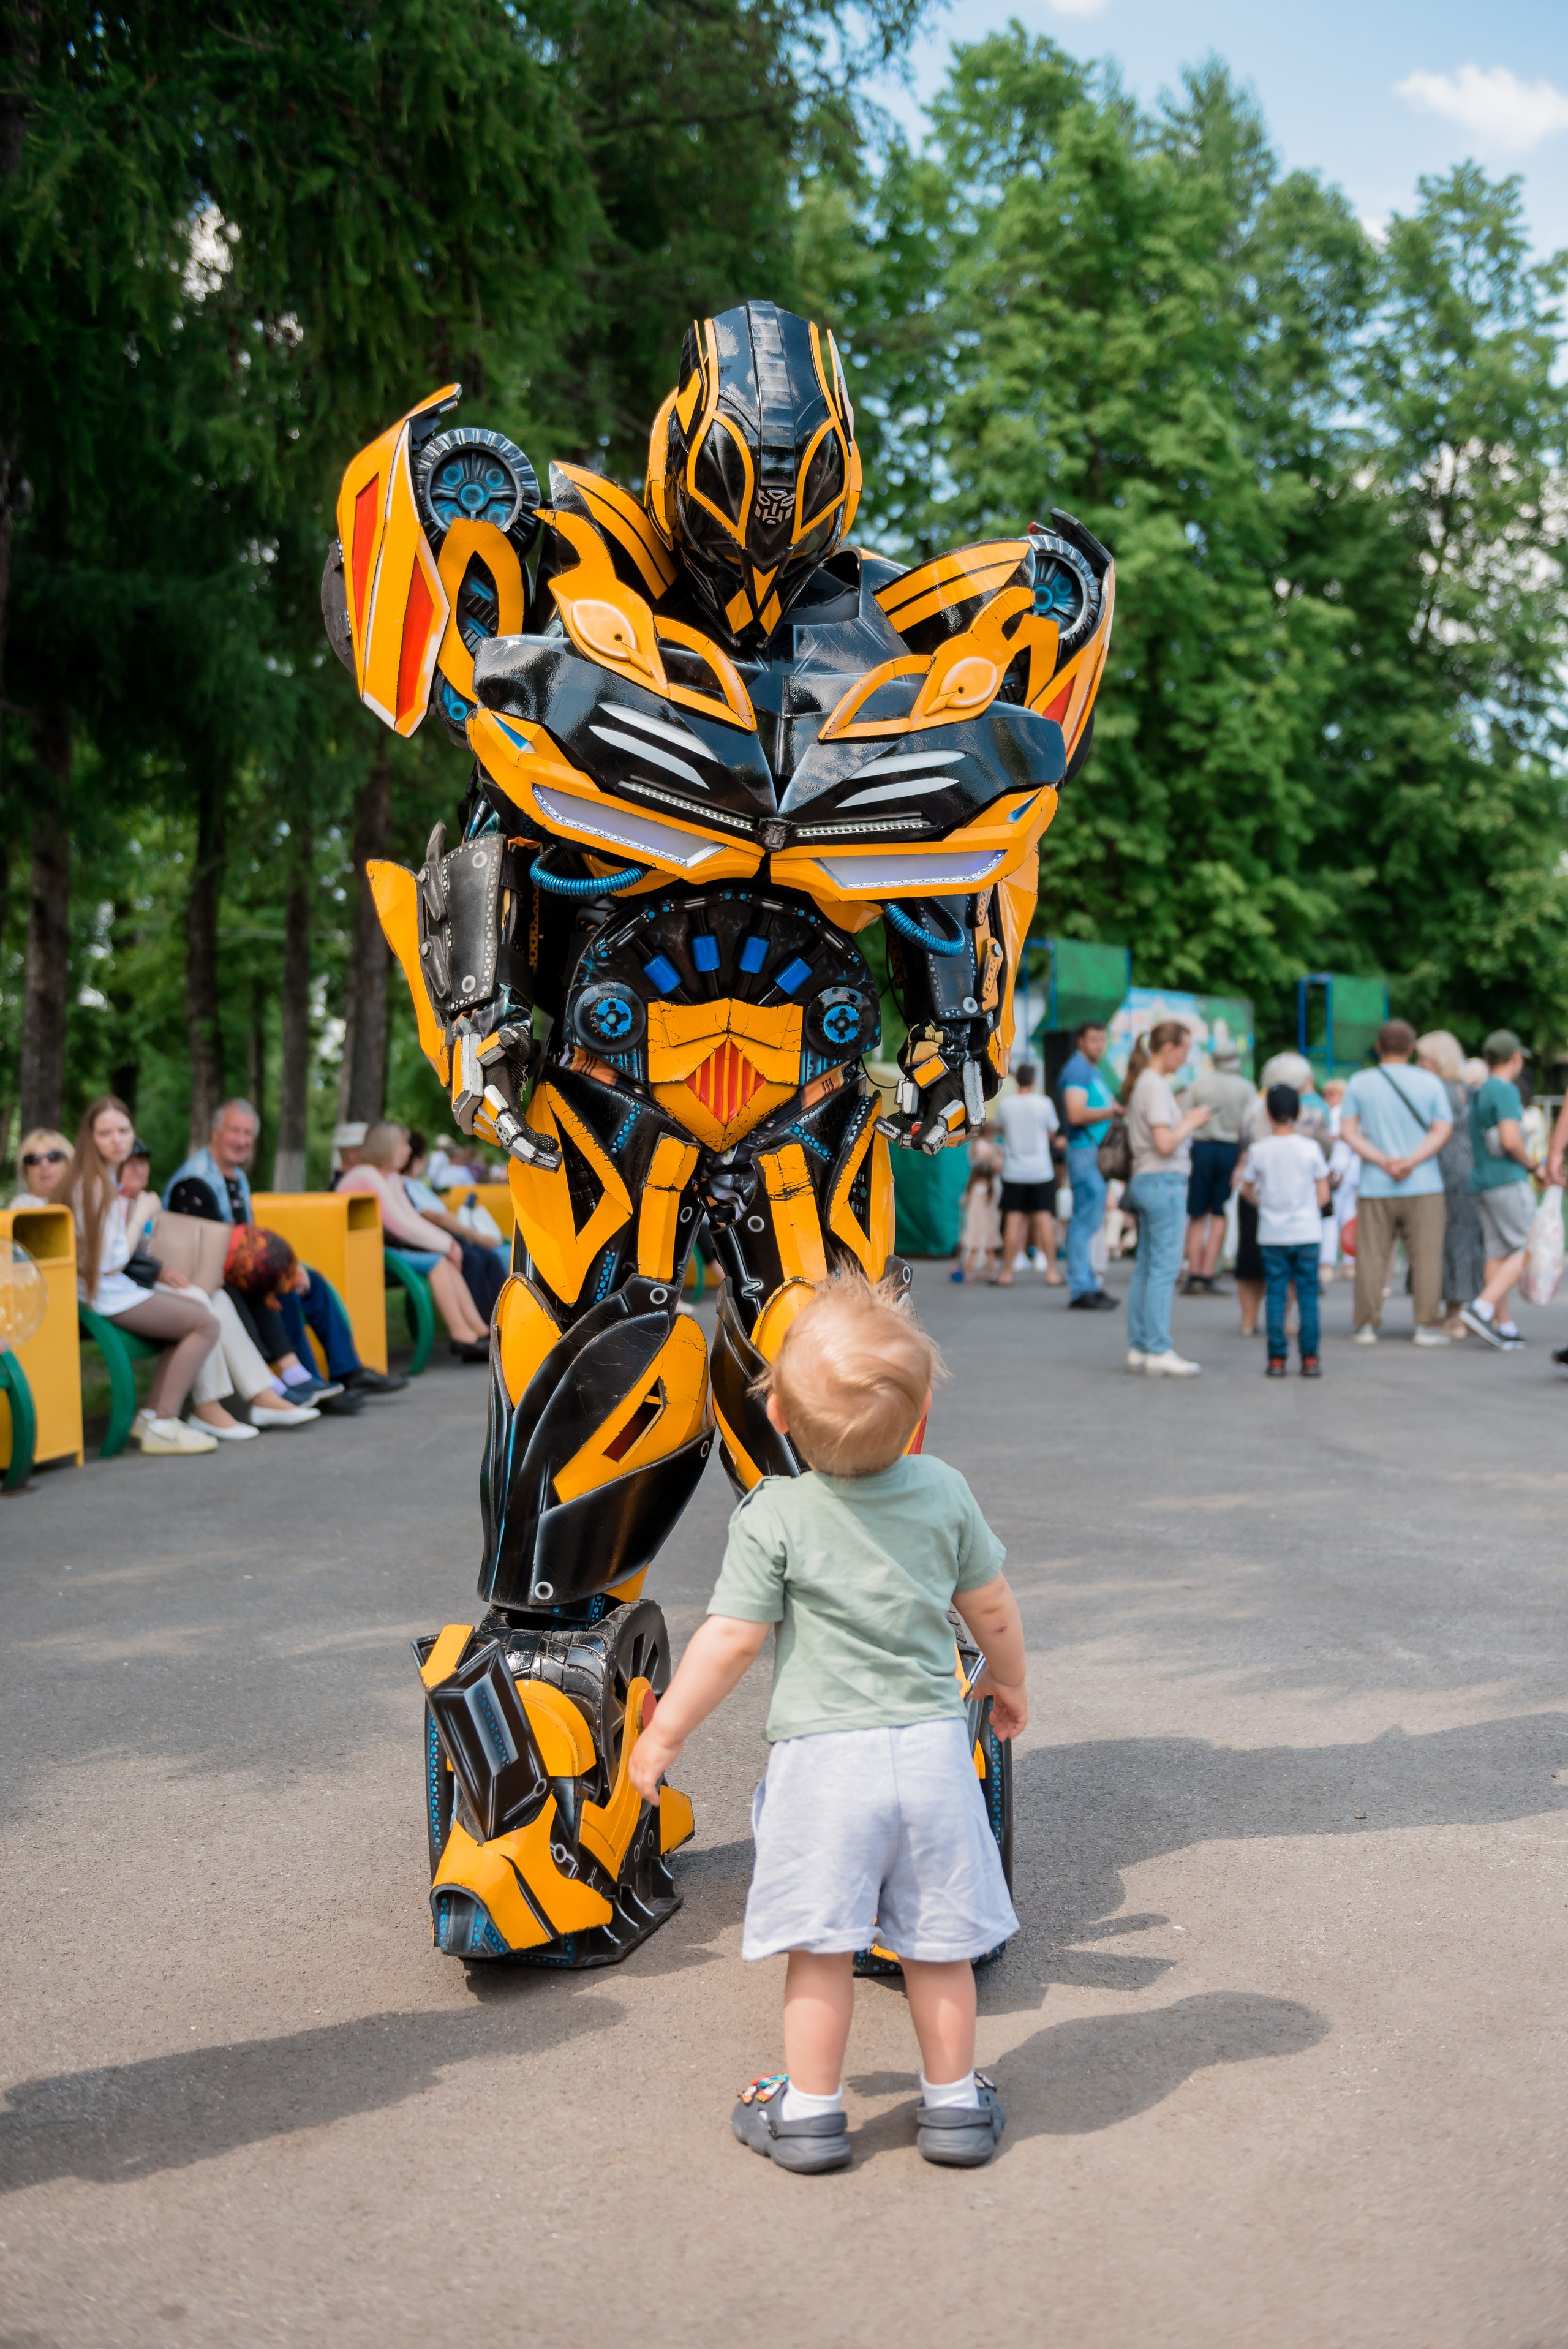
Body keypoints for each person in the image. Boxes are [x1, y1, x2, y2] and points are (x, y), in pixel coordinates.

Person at [627, 1272, 1024, 2173]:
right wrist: (1010, 1683)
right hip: (928, 1756)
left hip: (824, 1767)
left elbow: (729, 1641)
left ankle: (808, 2114)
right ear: (918, 1414)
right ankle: (956, 2106)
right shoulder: (944, 1492)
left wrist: (666, 1732)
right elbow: (992, 1606)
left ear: (777, 1418)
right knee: (937, 1950)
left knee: (822, 1950)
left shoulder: (775, 1514)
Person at [166, 1099, 405, 1401]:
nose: (242, 1140)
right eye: (235, 1131)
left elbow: (249, 1237)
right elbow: (209, 1251)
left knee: (313, 1281)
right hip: (206, 1275)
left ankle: (347, 1372)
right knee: (280, 1288)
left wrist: (292, 1268)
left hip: (236, 1266)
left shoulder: (237, 1177)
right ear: (215, 1133)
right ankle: (304, 1380)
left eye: (248, 1134)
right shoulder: (194, 1182)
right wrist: (280, 1274)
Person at [59, 1096, 222, 1455]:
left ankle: (152, 1419)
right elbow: (109, 1263)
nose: (117, 1140)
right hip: (103, 1296)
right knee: (204, 1325)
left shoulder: (100, 1179)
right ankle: (163, 1422)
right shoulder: (94, 1186)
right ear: (90, 1138)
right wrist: (141, 1214)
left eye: (124, 1131)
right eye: (105, 1133)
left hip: (109, 1291)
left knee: (193, 1316)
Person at [122, 1141, 320, 1435]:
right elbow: (114, 1263)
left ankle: (260, 1393)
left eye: (143, 1161)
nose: (139, 1168)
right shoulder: (119, 1204)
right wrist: (158, 1263)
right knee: (203, 1303)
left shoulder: (147, 1204)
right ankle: (207, 1406)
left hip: (153, 1285)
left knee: (218, 1295)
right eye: (130, 1162)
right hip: (127, 1292)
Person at [337, 1122, 494, 1358]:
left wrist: (448, 1244)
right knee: (439, 1262)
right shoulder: (367, 1176)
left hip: (381, 1248)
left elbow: (410, 1219)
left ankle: (480, 1329)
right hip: (362, 1253)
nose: (408, 1151)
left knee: (445, 1259)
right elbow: (399, 1225)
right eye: (403, 1145)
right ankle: (461, 1333)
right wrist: (447, 1244)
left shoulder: (390, 1179)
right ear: (386, 1147)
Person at [1340, 1020, 1453, 1345]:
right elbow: (1442, 1129)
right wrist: (1411, 1160)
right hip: (1425, 1182)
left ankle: (1365, 1324)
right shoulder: (1429, 1082)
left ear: (1378, 1045)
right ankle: (1426, 1324)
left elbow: (1348, 1131)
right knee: (1427, 1256)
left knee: (1371, 1256)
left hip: (1376, 1183)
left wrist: (1382, 1160)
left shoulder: (1360, 1083)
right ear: (1411, 1048)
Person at [1123, 1023, 1210, 1376]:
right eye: (1184, 1050)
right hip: (1163, 1180)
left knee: (1146, 1268)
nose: (1186, 1058)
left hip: (1146, 1180)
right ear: (1169, 1048)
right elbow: (1165, 1143)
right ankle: (1158, 1348)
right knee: (1162, 1269)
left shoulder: (1145, 1082)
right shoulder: (1155, 1085)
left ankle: (1141, 1346)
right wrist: (1190, 1122)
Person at [1235, 1054, 1329, 1337]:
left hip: (1266, 1209)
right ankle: (1305, 1348)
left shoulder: (1254, 1111)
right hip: (1304, 1214)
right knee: (1304, 1287)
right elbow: (1327, 1153)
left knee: (1253, 1266)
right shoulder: (1313, 1117)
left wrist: (1260, 1200)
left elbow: (1243, 1159)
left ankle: (1252, 1324)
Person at [1460, 1030, 1539, 1351]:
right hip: (1506, 1179)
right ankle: (1482, 1307)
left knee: (1497, 1252)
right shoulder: (1505, 1091)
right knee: (1527, 1247)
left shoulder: (1479, 1092)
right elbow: (1510, 1139)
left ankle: (1502, 1323)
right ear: (1516, 1058)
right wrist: (1533, 1166)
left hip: (1481, 1180)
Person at [1415, 1031, 1485, 1337]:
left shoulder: (1436, 1088)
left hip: (1442, 1168)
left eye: (1422, 1058)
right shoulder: (1466, 1088)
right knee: (1466, 1240)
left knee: (1445, 1240)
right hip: (1468, 1167)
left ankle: (1452, 1315)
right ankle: (1465, 1311)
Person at [401, 1127, 510, 1319]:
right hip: (440, 1240)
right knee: (478, 1259)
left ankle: (499, 1319)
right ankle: (488, 1322)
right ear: (416, 1158)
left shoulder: (416, 1185)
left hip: (446, 1237)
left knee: (488, 1258)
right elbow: (435, 1216)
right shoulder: (407, 1185)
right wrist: (475, 1235)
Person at [1182, 1042, 1255, 1294]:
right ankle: (1208, 1272)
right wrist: (1242, 1161)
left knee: (1197, 1212)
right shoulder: (1246, 1088)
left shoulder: (1199, 1085)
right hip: (1230, 1150)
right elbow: (1250, 1128)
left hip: (1201, 1149)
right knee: (1220, 1213)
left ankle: (1193, 1274)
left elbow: (1185, 1117)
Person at [1057, 1021, 1120, 1310]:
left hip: (1090, 1152)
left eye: (1102, 1040)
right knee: (1084, 1222)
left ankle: (1089, 1285)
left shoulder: (1089, 1070)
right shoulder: (1078, 1070)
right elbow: (1076, 1113)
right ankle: (1082, 1288)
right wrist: (1113, 1111)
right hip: (1084, 1151)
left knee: (1090, 1221)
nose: (1099, 1045)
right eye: (1094, 1040)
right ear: (1081, 1041)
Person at [993, 1065, 1062, 1287]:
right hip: (1041, 1170)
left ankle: (1006, 1273)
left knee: (1013, 1220)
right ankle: (1052, 1272)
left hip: (1014, 1171)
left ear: (1016, 1080)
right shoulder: (1045, 1104)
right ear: (1033, 1080)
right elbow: (1052, 1132)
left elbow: (1000, 1129)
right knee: (1044, 1221)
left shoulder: (1006, 1105)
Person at [953, 1127, 1003, 1284]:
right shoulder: (990, 1190)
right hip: (984, 1226)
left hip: (976, 1226)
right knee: (985, 1247)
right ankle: (990, 1272)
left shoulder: (975, 1190)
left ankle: (970, 1272)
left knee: (976, 1246)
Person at [10, 1128, 72, 1206]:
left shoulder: (83, 1201)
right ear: (26, 1170)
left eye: (54, 1156)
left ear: (69, 1162)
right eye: (33, 1159)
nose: (44, 1164)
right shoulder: (20, 1208)